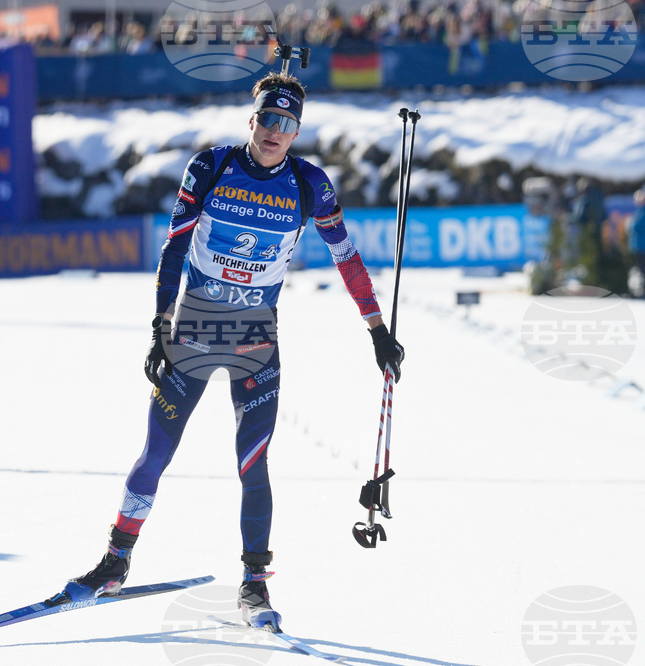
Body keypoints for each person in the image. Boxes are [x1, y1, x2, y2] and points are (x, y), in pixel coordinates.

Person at [61, 72, 404, 629]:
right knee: (156, 453)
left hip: (254, 336)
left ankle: (253, 587)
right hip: (195, 325)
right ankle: (115, 561)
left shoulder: (309, 184)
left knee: (253, 464)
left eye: (287, 123)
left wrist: (376, 329)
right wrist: (159, 325)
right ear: (253, 120)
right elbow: (174, 249)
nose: (275, 131)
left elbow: (346, 256)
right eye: (268, 119)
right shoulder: (212, 167)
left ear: (297, 131)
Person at [626, 189, 645, 300]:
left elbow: (637, 226)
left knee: (642, 269)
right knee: (640, 269)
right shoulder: (642, 210)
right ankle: (640, 290)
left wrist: (630, 224)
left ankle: (643, 292)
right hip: (638, 244)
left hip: (641, 245)